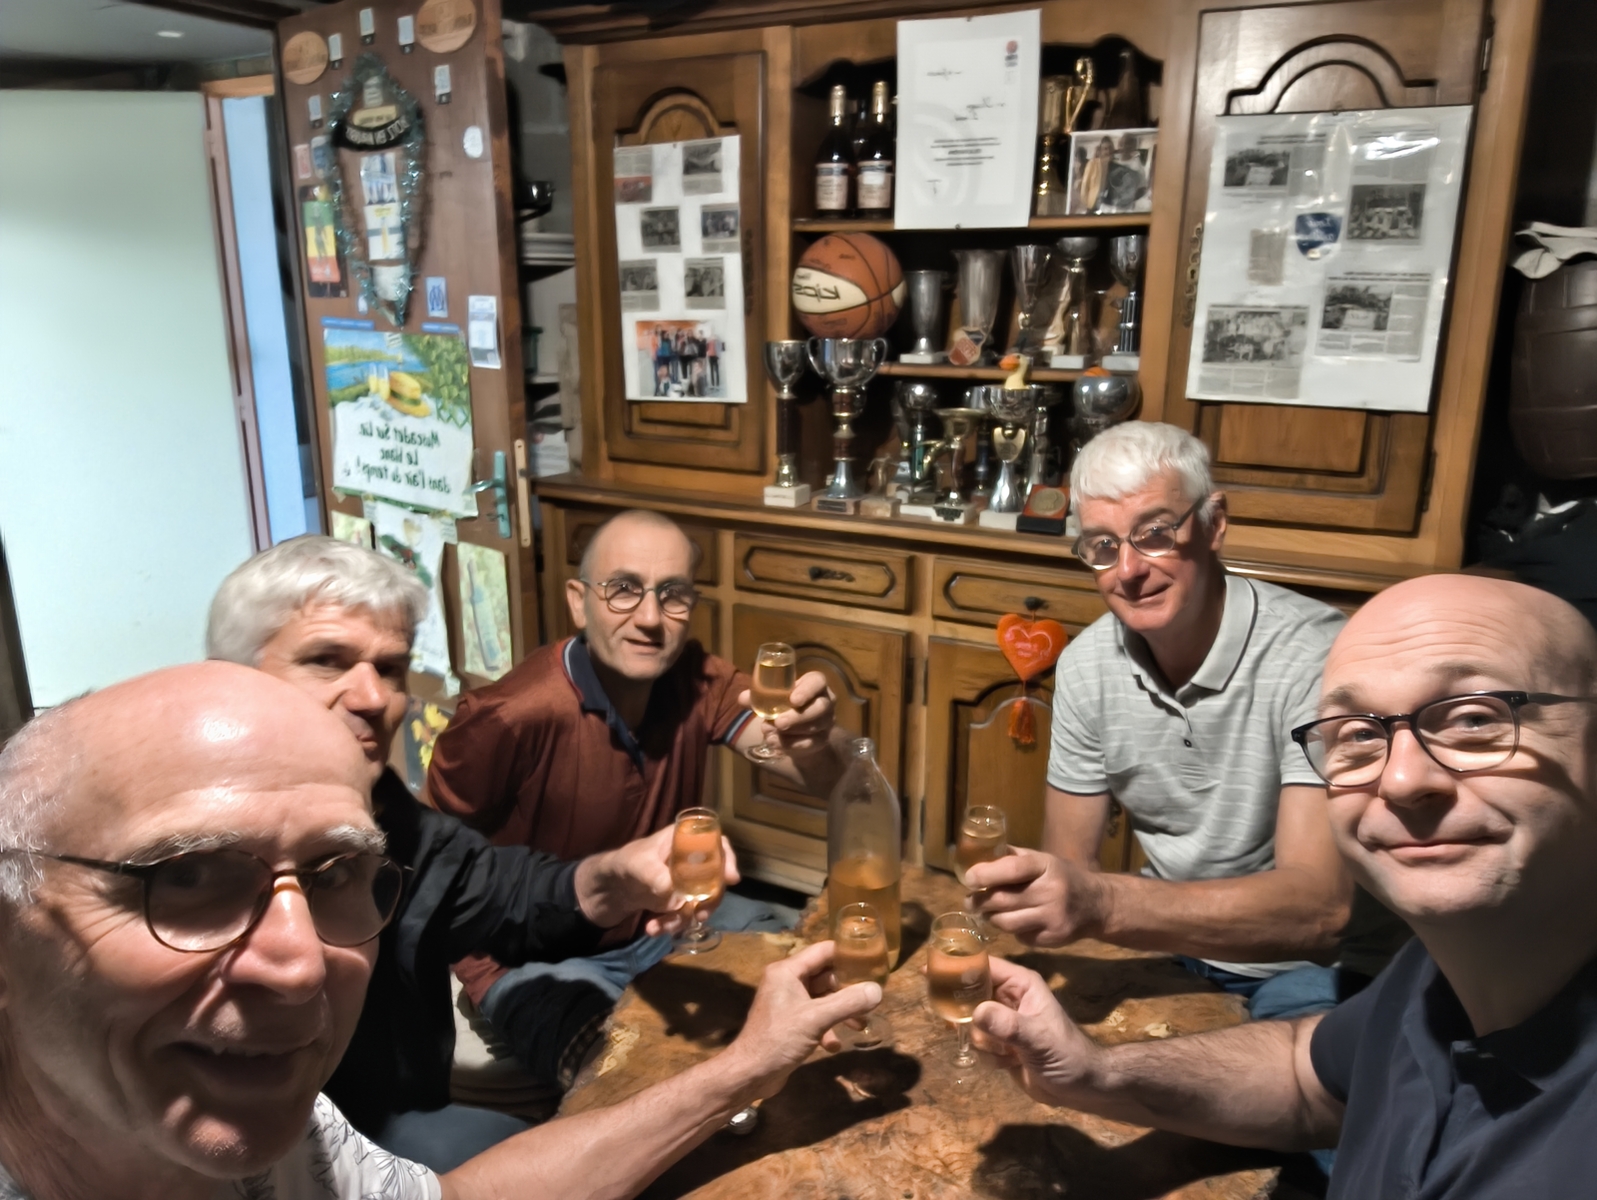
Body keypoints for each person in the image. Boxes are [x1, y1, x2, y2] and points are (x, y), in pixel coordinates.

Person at [0, 663, 880, 1200]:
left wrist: (744, 1068)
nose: (301, 968)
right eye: (187, 878)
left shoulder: (283, 1125)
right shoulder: (515, 715)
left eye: (334, 874)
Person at [971, 574, 1597, 1198]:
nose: (1401, 779)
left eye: (1473, 719)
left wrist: (1100, 902)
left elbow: (1318, 914)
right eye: (1359, 734)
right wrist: (1094, 1073)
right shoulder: (1436, 974)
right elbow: (1307, 1077)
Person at [204, 536, 731, 1171]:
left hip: (388, 1109)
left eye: (390, 668)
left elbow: (508, 891)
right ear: (232, 679)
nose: (372, 697)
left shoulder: (391, 818)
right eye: (326, 660)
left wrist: (619, 875)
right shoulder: (183, 845)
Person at [969, 422, 1405, 1020]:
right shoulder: (1086, 665)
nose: (1128, 571)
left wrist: (1102, 905)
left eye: (1154, 534)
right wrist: (1042, 899)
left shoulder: (1317, 657)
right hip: (1169, 947)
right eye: (1102, 546)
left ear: (1214, 522)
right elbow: (1072, 868)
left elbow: (1321, 911)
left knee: (1285, 1064)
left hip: (1314, 970)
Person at [429, 508, 851, 1085]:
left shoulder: (697, 679)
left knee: (812, 996)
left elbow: (828, 776)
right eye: (624, 589)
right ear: (578, 602)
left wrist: (816, 740)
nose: (650, 618)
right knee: (624, 1087)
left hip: (665, 924)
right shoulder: (506, 717)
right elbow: (429, 869)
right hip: (536, 960)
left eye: (672, 594)